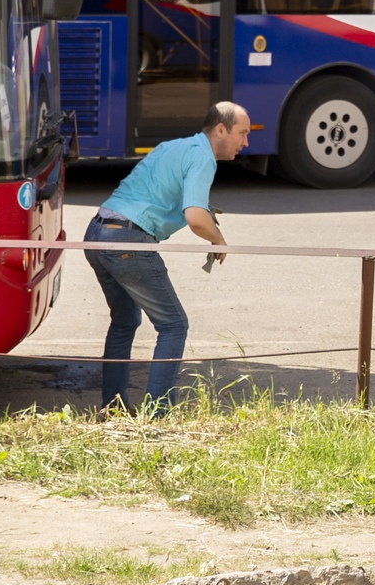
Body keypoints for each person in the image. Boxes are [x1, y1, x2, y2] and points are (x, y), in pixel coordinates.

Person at [83, 101, 250, 412]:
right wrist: (219, 240)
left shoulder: (172, 147)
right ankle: (159, 414)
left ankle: (113, 408)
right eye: (242, 134)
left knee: (124, 321)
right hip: (127, 240)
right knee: (174, 325)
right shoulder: (203, 158)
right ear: (220, 130)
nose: (246, 142)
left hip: (97, 232)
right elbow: (196, 217)